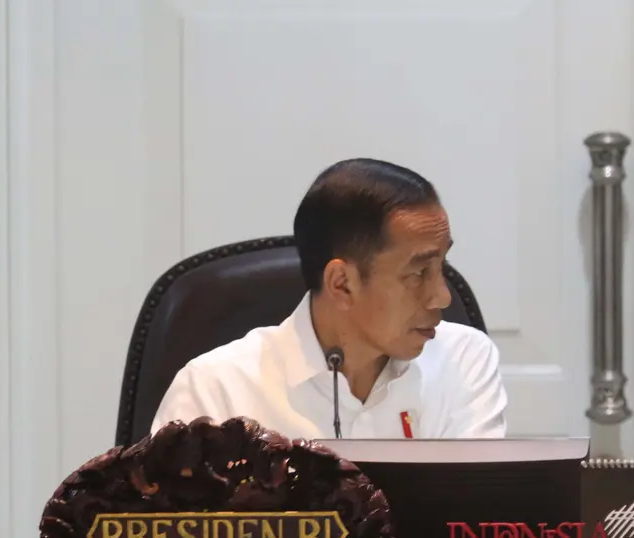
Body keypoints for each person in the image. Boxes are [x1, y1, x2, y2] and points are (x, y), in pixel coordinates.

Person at [151, 158, 508, 440]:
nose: (442, 297)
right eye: (418, 274)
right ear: (342, 283)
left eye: (441, 265)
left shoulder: (463, 362)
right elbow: (167, 530)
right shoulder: (216, 391)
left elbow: (474, 525)